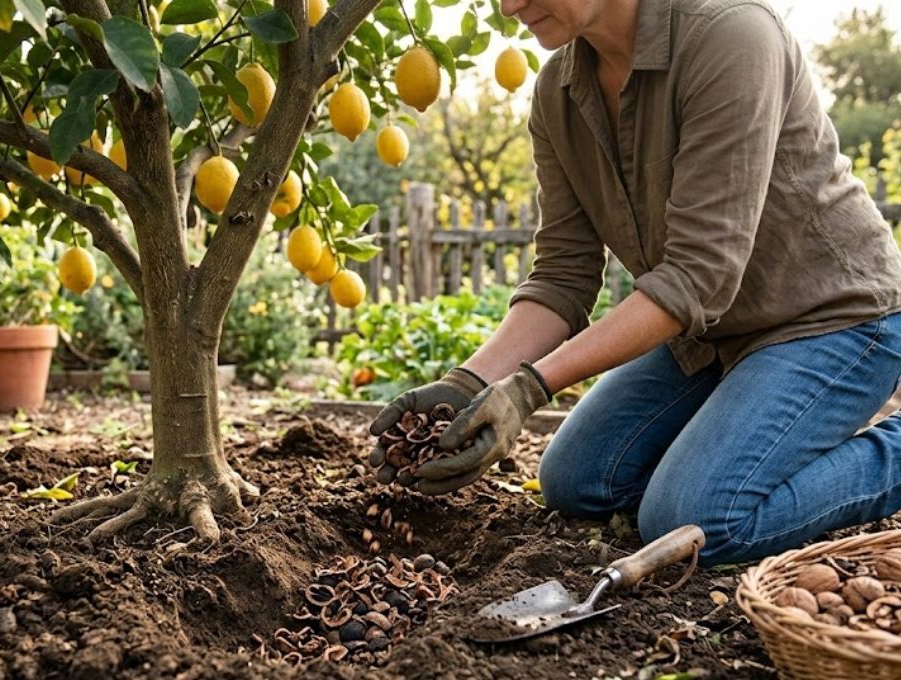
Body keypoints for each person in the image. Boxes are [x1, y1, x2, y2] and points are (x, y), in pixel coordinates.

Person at [369, 0, 901, 566]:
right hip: (710, 336)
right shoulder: (559, 91)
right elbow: (562, 276)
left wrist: (528, 390)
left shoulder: (734, 36)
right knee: (576, 480)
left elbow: (697, 275)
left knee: (693, 520)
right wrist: (468, 382)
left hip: (833, 321)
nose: (508, 6)